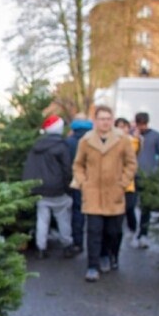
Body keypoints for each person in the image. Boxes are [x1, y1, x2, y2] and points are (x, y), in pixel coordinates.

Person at [72, 105, 137, 282]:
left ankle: (108, 255)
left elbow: (131, 164)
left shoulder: (122, 140)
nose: (105, 122)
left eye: (108, 118)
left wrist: (123, 182)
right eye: (102, 119)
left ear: (112, 120)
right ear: (95, 121)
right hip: (92, 192)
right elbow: (78, 164)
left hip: (114, 193)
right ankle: (92, 266)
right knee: (93, 231)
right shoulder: (86, 140)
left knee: (113, 231)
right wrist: (83, 182)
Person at [22, 115, 76, 259]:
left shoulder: (36, 146)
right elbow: (66, 169)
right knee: (63, 218)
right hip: (57, 188)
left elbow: (30, 167)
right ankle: (67, 245)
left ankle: (41, 247)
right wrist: (68, 187)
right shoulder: (61, 146)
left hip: (40, 188)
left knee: (42, 219)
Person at [132, 111, 159, 249]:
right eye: (139, 124)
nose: (142, 127)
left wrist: (158, 171)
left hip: (148, 176)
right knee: (130, 205)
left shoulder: (155, 136)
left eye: (143, 124)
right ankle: (133, 228)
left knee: (146, 207)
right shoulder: (132, 136)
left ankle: (143, 233)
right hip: (132, 175)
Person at [65, 113, 93, 254]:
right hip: (94, 181)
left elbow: (66, 164)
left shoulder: (69, 141)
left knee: (78, 212)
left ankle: (78, 243)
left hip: (77, 181)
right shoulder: (94, 139)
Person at [113, 117, 139, 265]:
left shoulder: (132, 142)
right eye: (119, 126)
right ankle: (110, 253)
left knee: (121, 219)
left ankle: (115, 255)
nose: (122, 129)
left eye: (125, 126)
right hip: (111, 187)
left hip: (127, 186)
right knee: (113, 225)